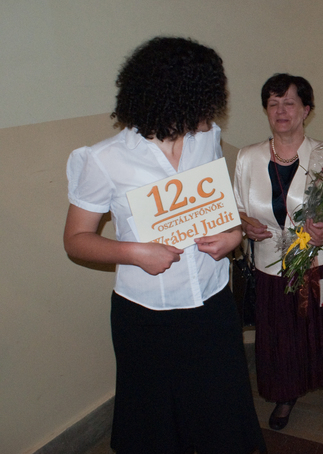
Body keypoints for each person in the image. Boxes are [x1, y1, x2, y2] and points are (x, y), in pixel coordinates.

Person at [63, 37, 266, 454]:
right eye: (204, 99)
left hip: (212, 304)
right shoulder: (105, 159)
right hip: (146, 316)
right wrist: (135, 253)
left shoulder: (207, 139)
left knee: (222, 421)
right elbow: (76, 240)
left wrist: (234, 235)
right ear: (175, 97)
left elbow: (221, 210)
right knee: (156, 429)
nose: (211, 112)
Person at [233, 74, 323, 431]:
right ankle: (286, 394)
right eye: (273, 103)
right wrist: (245, 226)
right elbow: (237, 209)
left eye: (289, 103)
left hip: (321, 263)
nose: (281, 110)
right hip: (272, 266)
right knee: (281, 336)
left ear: (306, 110)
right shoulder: (248, 157)